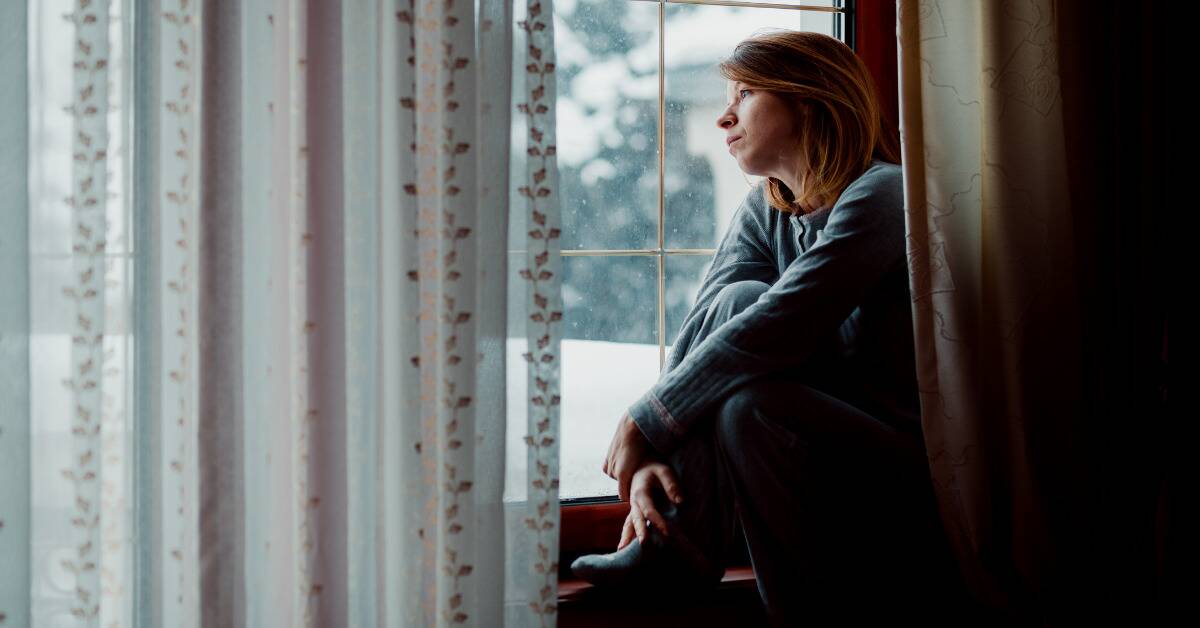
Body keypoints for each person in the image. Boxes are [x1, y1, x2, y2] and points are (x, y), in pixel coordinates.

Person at [569, 30, 966, 626]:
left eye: (746, 93)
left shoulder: (884, 193)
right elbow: (708, 327)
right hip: (786, 444)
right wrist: (651, 449)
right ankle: (676, 548)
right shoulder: (766, 207)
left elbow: (785, 324)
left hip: (891, 469)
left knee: (748, 390)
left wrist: (645, 421)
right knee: (737, 306)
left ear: (811, 100)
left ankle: (687, 555)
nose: (725, 116)